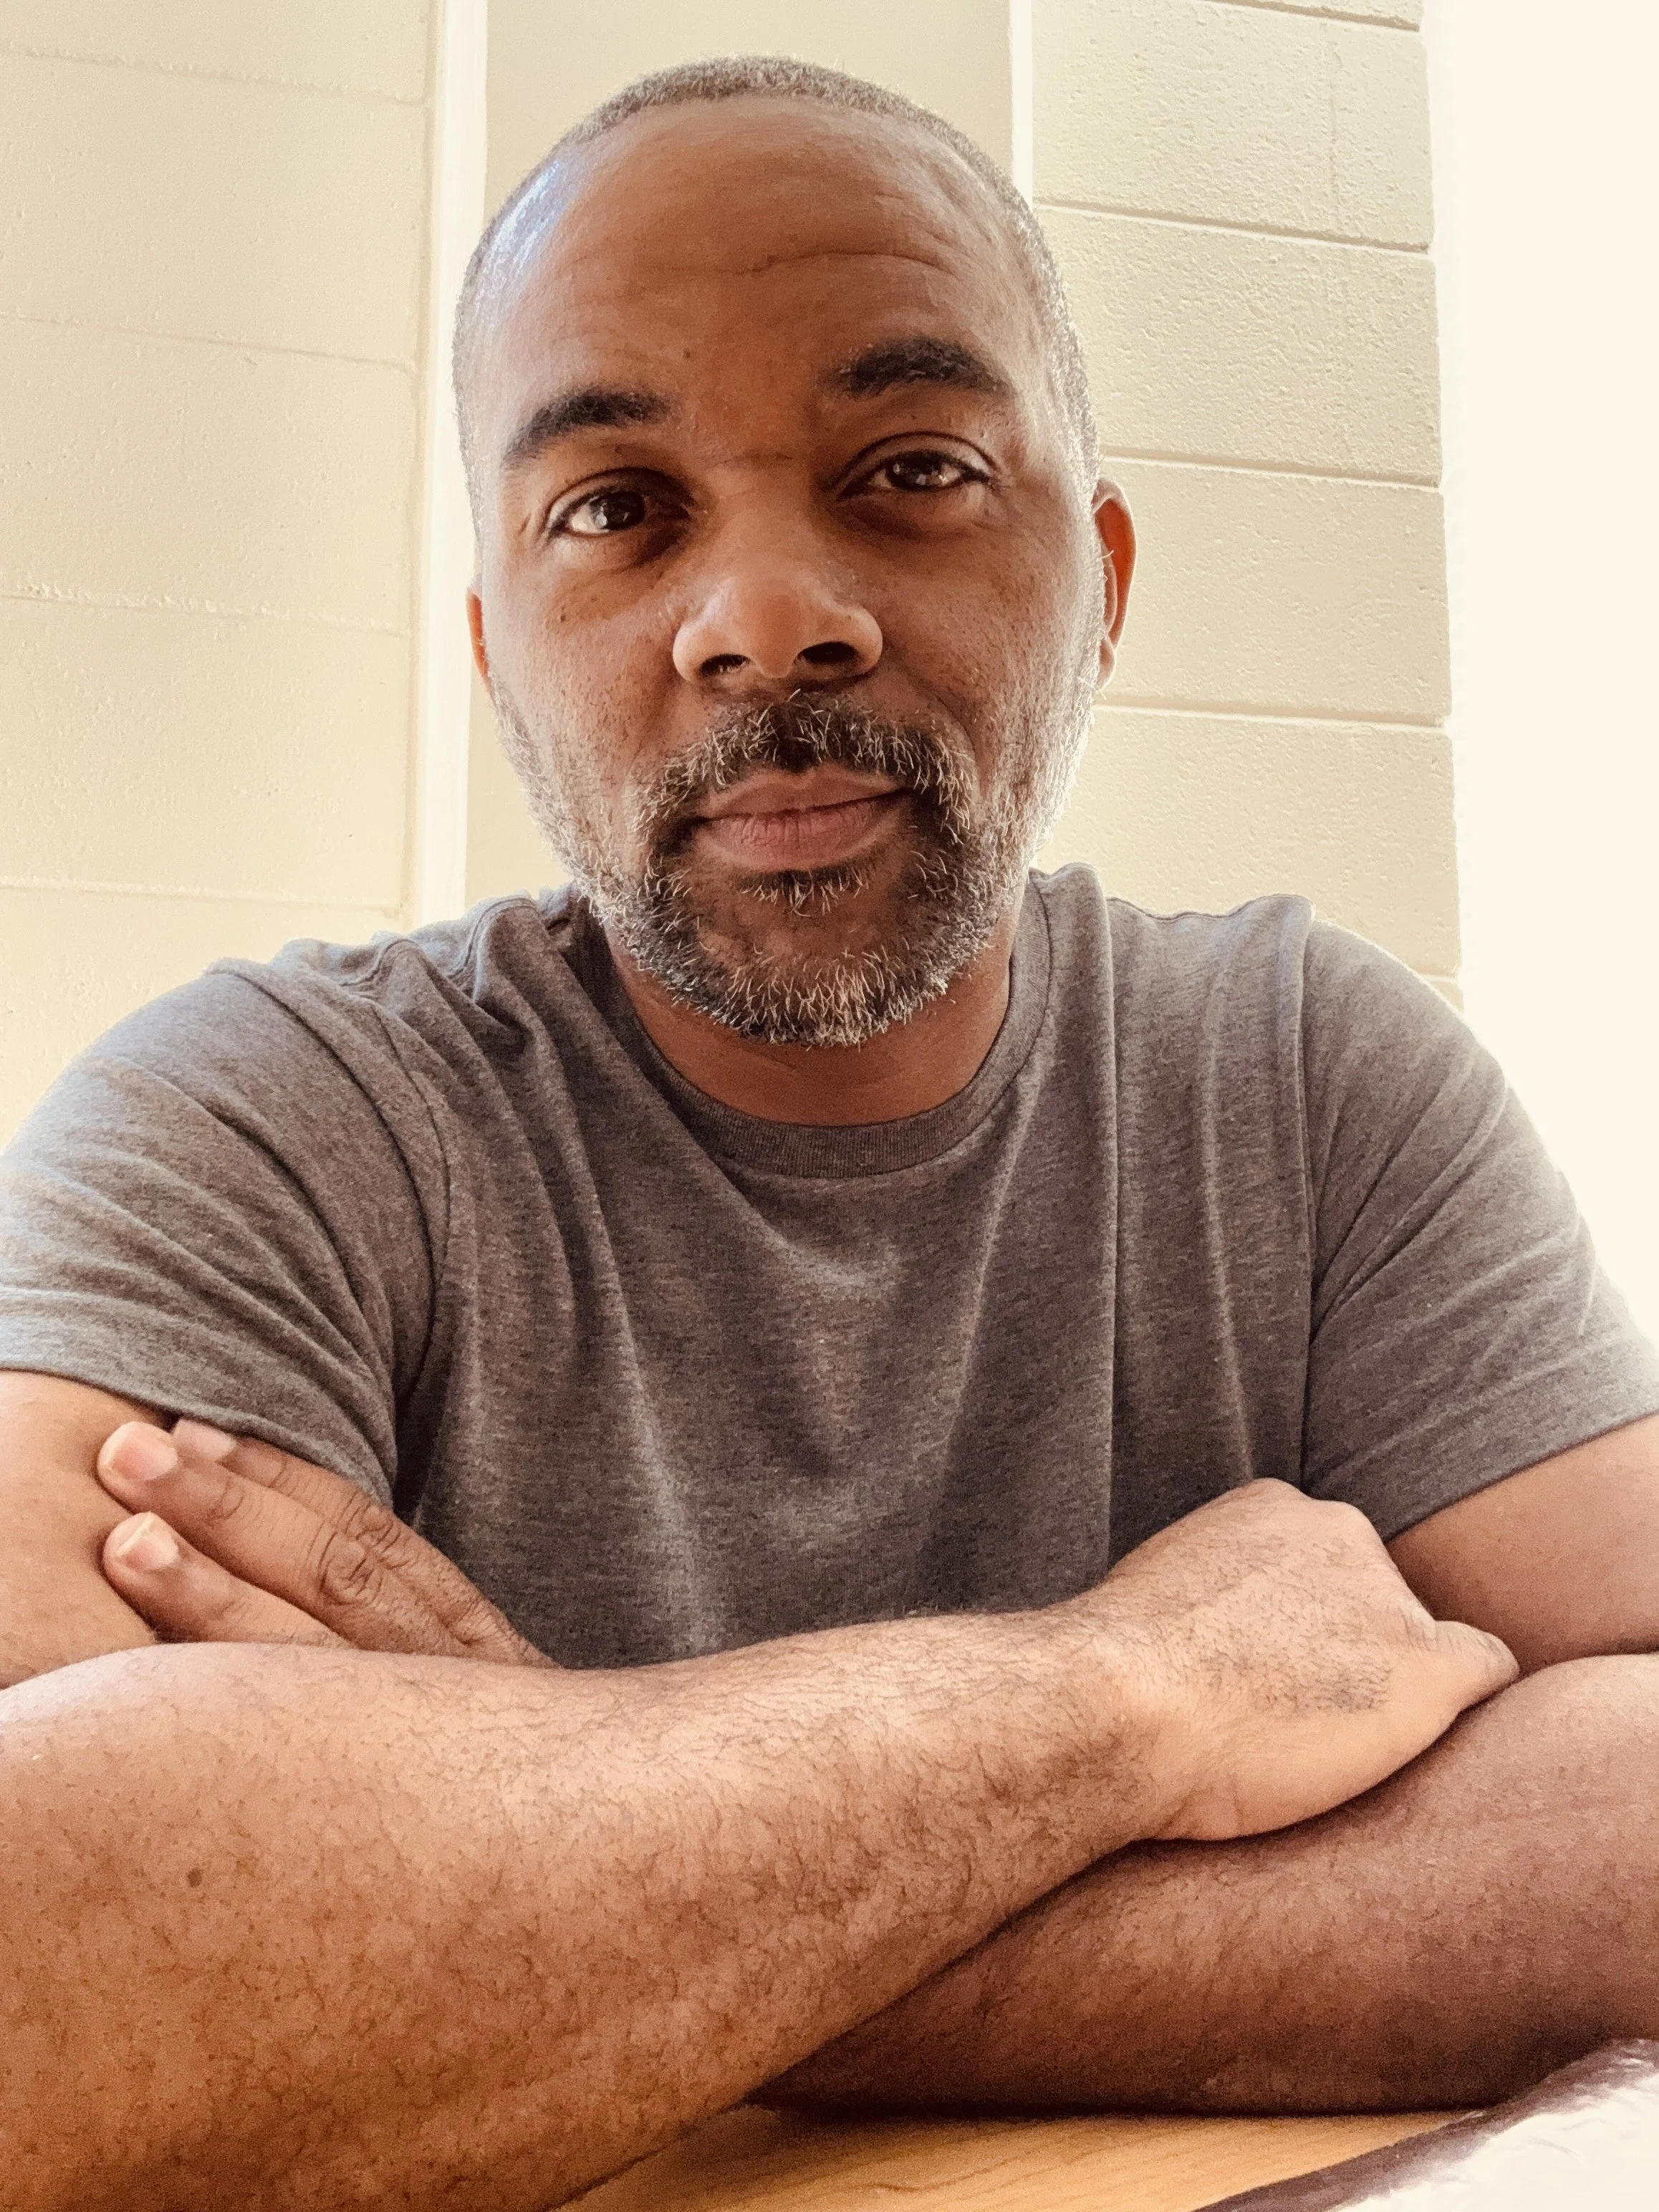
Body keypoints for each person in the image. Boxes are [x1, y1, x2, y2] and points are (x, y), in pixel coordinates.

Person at [1, 55, 1657, 2212]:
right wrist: (1117, 1698)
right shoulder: (268, 1122)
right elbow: (46, 1966)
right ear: (501, 647)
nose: (767, 615)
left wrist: (539, 1892)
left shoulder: (1299, 1070)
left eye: (911, 468)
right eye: (616, 508)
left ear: (1103, 576)